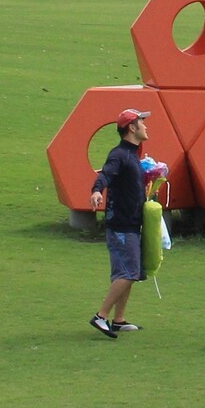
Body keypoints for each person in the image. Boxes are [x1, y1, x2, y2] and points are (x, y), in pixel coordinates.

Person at [88, 108, 150, 338]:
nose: (146, 126)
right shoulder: (119, 154)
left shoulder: (132, 155)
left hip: (130, 224)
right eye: (142, 122)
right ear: (132, 128)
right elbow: (106, 175)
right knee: (129, 273)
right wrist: (96, 191)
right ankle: (101, 316)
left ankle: (119, 319)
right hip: (122, 226)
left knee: (128, 273)